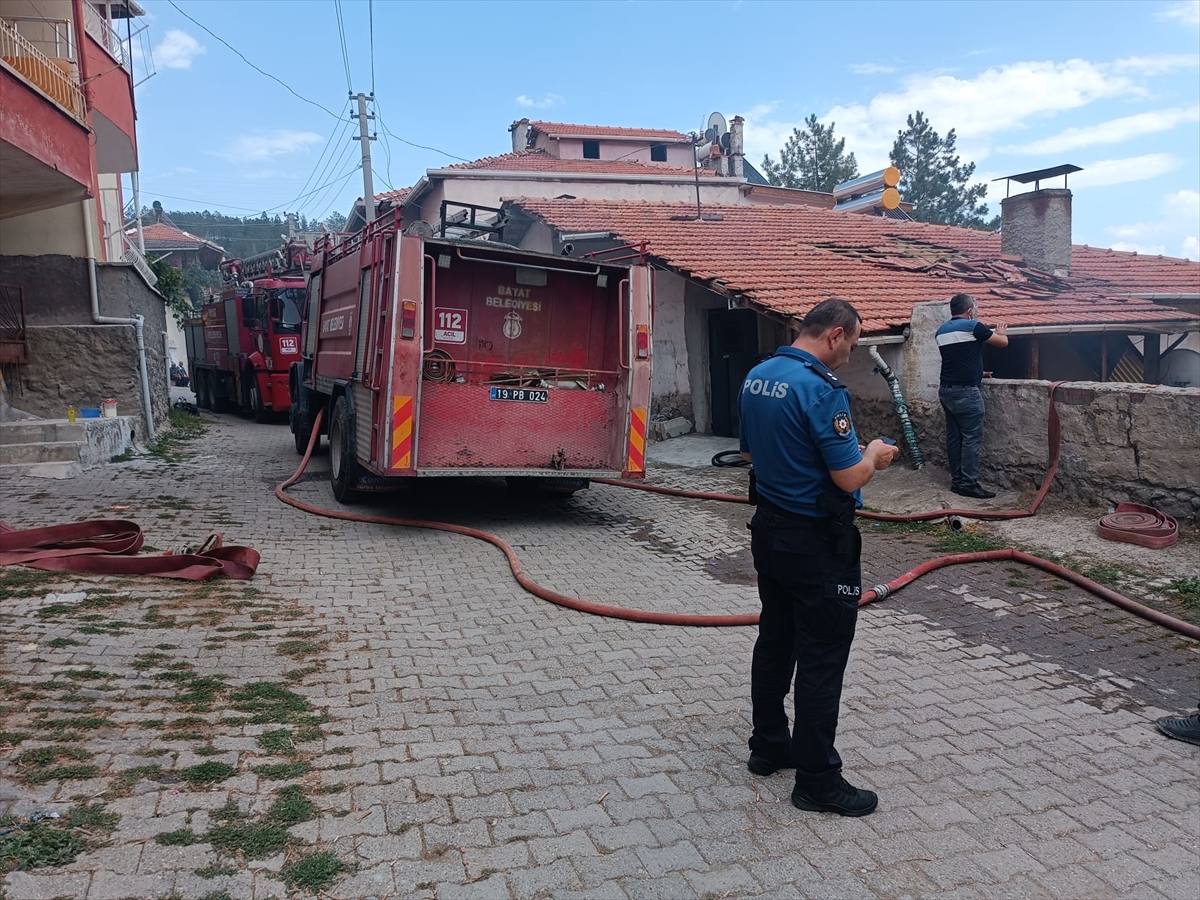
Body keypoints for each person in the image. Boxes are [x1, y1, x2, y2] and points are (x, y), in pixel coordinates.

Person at [738, 297, 901, 817]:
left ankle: (768, 746)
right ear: (834, 334)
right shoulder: (821, 389)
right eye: (852, 343)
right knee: (822, 658)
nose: (851, 354)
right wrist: (873, 454)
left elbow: (748, 452)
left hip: (769, 532)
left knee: (776, 637)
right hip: (816, 543)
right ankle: (816, 781)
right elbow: (848, 477)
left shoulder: (758, 375)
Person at [936, 293, 1008, 499]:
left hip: (946, 390)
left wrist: (978, 371)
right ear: (969, 311)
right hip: (966, 392)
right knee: (971, 438)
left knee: (954, 437)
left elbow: (958, 357)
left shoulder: (941, 331)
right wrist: (1001, 332)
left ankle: (957, 482)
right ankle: (969, 483)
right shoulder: (973, 326)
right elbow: (1002, 343)